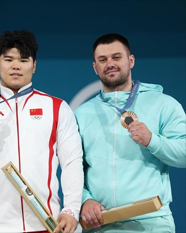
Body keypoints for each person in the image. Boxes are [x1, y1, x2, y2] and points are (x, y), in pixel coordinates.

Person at [0, 30, 84, 233]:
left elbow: (72, 162)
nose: (15, 66)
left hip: (47, 224)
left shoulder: (57, 108)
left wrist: (72, 209)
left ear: (34, 66)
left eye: (23, 60)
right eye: (8, 59)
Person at [74, 33, 186, 232]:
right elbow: (72, 169)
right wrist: (85, 199)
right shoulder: (81, 114)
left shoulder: (163, 104)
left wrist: (153, 140)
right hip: (101, 224)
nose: (110, 64)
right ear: (95, 67)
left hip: (151, 223)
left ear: (131, 60)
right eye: (103, 59)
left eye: (116, 57)